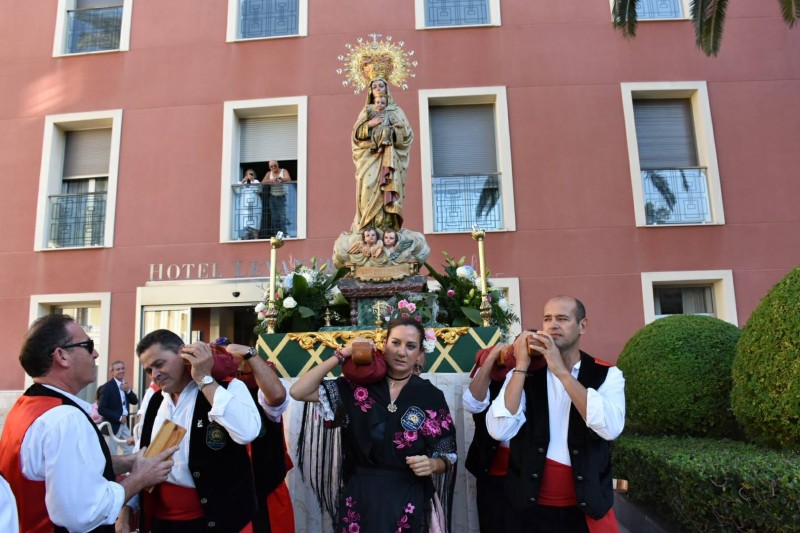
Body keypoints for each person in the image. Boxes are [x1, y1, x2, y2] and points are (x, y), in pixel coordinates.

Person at [0, 314, 175, 532]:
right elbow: (84, 513)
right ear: (62, 356)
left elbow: (69, 468)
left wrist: (131, 461)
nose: (95, 353)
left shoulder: (26, 406)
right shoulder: (65, 419)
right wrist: (140, 478)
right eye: (88, 345)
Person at [290, 315, 457, 532]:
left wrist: (433, 464)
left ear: (419, 355)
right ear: (383, 346)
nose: (401, 351)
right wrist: (342, 354)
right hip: (362, 495)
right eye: (395, 343)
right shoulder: (355, 388)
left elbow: (448, 454)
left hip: (409, 496)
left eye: (411, 346)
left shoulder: (430, 396)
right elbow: (298, 391)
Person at [486, 296, 626, 532]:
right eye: (547, 319)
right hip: (529, 509)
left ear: (582, 325)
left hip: (585, 508)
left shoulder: (607, 374)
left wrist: (561, 372)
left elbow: (609, 428)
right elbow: (499, 429)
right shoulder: (524, 374)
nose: (552, 325)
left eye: (562, 318)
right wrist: (520, 365)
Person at [125, 329, 263, 532]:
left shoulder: (228, 387)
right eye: (148, 370)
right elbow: (142, 457)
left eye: (159, 364)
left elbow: (247, 432)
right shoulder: (155, 401)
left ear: (184, 354)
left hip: (217, 520)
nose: (155, 375)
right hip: (162, 521)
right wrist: (128, 507)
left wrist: (205, 380)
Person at [214, 338, 296, 533]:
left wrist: (249, 352)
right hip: (224, 495)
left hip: (264, 491)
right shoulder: (209, 390)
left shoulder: (260, 391)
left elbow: (276, 397)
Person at [352, 77, 414, 233]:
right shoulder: (367, 110)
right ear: (371, 91)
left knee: (388, 188)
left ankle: (389, 230)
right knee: (367, 187)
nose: (378, 88)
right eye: (375, 86)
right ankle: (368, 229)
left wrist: (392, 132)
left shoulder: (396, 111)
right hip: (370, 157)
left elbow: (407, 135)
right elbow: (356, 135)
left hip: (389, 157)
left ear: (387, 89)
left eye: (381, 85)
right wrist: (369, 124)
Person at [463, 342, 512, 533]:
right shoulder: (495, 375)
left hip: (528, 471)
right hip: (490, 468)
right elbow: (472, 404)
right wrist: (491, 359)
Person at [98, 360, 138, 455]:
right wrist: (119, 417)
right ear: (112, 372)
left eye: (123, 368)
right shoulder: (108, 387)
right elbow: (101, 409)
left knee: (131, 450)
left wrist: (128, 391)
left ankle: (128, 469)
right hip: (112, 426)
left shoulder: (125, 385)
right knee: (111, 454)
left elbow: (135, 401)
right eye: (118, 369)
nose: (121, 371)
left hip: (124, 426)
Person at [263, 160, 292, 237]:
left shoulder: (283, 171)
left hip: (283, 197)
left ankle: (284, 234)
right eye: (271, 166)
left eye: (274, 166)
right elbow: (263, 182)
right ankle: (277, 235)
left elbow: (289, 179)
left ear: (278, 165)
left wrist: (281, 179)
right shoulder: (269, 173)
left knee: (282, 216)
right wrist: (271, 180)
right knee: (274, 217)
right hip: (273, 197)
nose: (273, 167)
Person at [239, 168, 263, 240]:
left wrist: (252, 181)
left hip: (255, 207)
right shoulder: (242, 182)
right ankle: (245, 241)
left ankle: (256, 239)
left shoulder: (256, 181)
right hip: (245, 208)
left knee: (255, 224)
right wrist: (243, 181)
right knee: (245, 225)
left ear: (254, 176)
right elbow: (237, 190)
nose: (249, 175)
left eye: (251, 174)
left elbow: (259, 190)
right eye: (248, 174)